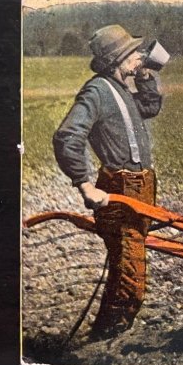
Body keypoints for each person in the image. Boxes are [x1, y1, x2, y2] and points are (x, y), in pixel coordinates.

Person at [53, 24, 164, 340]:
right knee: (130, 276)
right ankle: (100, 347)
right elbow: (67, 137)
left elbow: (150, 107)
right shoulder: (97, 92)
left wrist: (143, 77)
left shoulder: (120, 90)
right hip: (120, 191)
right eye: (133, 53)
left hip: (140, 189)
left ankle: (105, 337)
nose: (139, 57)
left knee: (127, 266)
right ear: (118, 58)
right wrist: (85, 184)